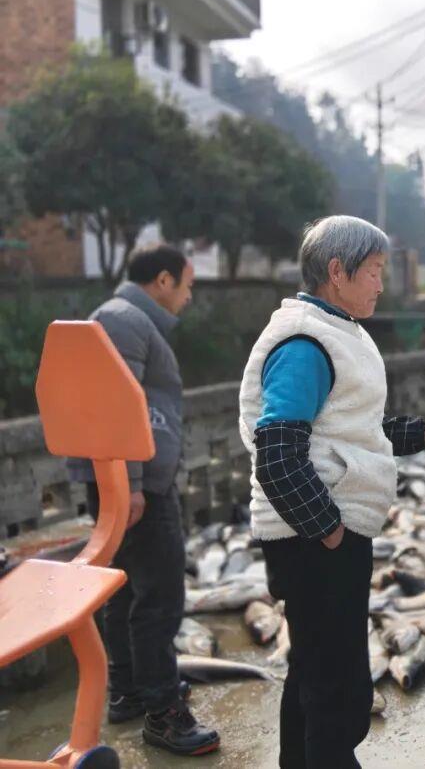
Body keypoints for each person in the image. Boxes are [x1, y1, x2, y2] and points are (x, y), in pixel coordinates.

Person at [238, 215, 425, 769]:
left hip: (327, 530)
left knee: (314, 669)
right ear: (337, 272)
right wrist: (329, 531)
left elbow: (354, 428)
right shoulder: (303, 343)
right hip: (313, 536)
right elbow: (277, 453)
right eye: (373, 271)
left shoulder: (336, 330)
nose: (381, 284)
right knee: (335, 687)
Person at [67, 243, 220, 756]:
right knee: (160, 597)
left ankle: (129, 691)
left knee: (128, 589)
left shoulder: (123, 318)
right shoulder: (123, 319)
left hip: (129, 479)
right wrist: (130, 483)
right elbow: (113, 400)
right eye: (187, 285)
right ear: (163, 280)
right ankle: (163, 713)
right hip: (135, 484)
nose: (189, 296)